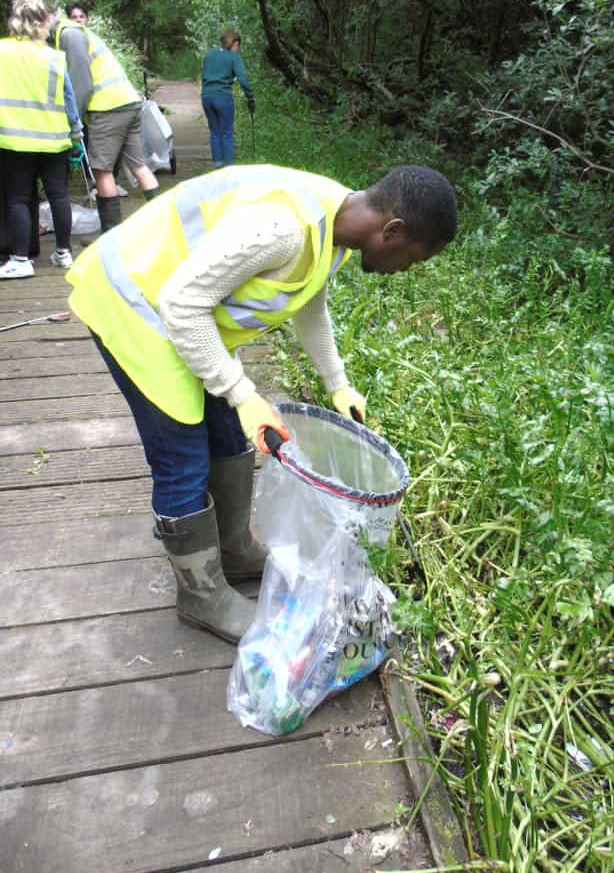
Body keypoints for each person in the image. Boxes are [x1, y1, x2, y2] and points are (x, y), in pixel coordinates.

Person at [66, 163, 458, 643]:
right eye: (413, 260)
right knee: (182, 457)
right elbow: (181, 305)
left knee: (230, 434)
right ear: (393, 231)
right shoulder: (283, 230)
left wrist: (337, 383)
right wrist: (242, 392)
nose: (405, 272)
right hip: (137, 304)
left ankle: (232, 550)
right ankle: (200, 593)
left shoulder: (337, 223)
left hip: (181, 311)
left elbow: (309, 303)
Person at [54, 1, 160, 234]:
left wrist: (75, 121)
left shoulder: (68, 36)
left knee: (102, 170)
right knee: (139, 165)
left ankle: (111, 237)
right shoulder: (81, 33)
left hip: (108, 107)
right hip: (129, 102)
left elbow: (81, 83)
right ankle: (165, 223)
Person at [0, 0, 84, 278]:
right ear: (39, 23)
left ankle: (21, 260)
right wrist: (77, 137)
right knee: (58, 194)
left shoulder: (1, 52)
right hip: (54, 139)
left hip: (14, 139)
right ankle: (64, 253)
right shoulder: (54, 58)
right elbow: (69, 101)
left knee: (18, 199)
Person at [201, 28, 255, 167]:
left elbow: (204, 76)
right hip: (223, 97)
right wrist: (251, 98)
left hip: (207, 97)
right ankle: (229, 168)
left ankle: (218, 166)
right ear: (234, 43)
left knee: (214, 132)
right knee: (226, 133)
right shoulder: (233, 57)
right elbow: (243, 79)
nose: (238, 49)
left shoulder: (209, 55)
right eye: (238, 46)